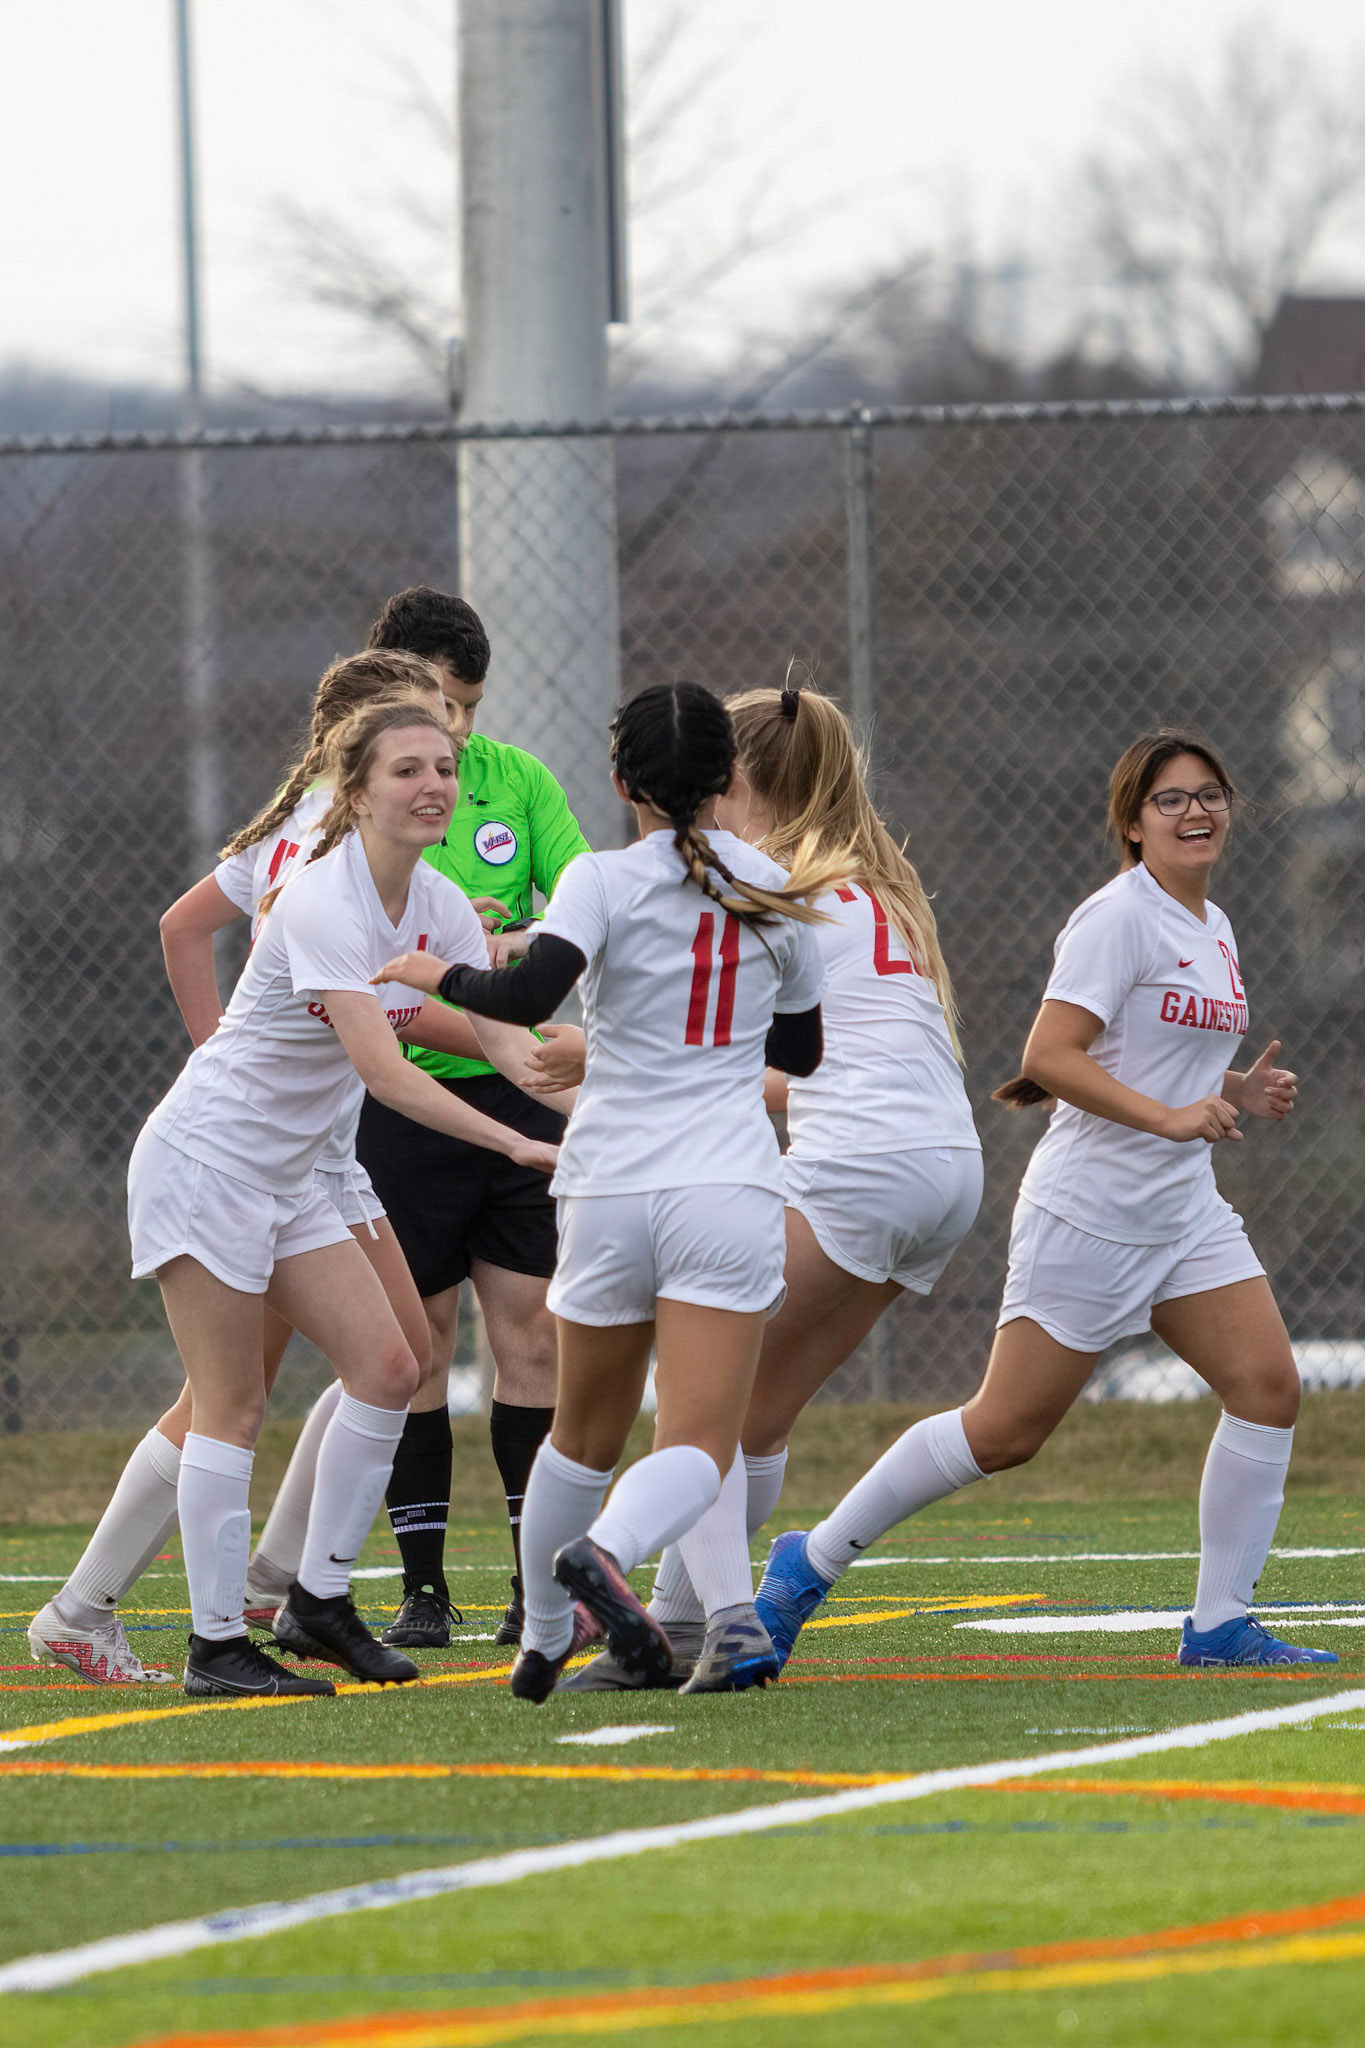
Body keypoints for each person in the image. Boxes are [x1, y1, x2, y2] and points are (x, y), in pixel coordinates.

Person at [753, 729, 1339, 1674]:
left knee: (1269, 1388)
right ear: (1132, 824)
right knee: (1004, 1431)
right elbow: (1049, 1057)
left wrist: (1234, 1089)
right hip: (1090, 1210)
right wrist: (1170, 1117)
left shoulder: (1214, 925)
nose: (1195, 812)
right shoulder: (1117, 917)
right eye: (1170, 799)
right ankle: (808, 1561)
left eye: (1209, 795)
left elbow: (1149, 1054)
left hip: (1181, 1210)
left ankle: (1219, 1626)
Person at [28, 653, 564, 1686]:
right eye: (408, 763)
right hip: (215, 1162)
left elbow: (496, 1037)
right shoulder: (318, 890)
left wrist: (592, 1109)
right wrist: (512, 1141)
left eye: (445, 762)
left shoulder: (440, 902)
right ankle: (215, 1641)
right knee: (230, 1404)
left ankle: (312, 1597)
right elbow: (386, 1067)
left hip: (304, 1168)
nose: (435, 780)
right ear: (353, 783)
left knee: (394, 1366)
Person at [370, 680, 843, 1703]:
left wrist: (437, 973)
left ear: (620, 779)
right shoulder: (775, 886)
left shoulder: (599, 876)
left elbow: (527, 994)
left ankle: (544, 1637)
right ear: (728, 776)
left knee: (578, 1441)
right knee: (699, 1443)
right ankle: (611, 1551)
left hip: (609, 1183)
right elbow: (802, 1051)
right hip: (723, 1184)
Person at [559, 680, 982, 1692]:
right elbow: (811, 1067)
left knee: (692, 1404)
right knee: (754, 1415)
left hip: (859, 1167)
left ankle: (708, 1610)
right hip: (945, 1173)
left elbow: (696, 1041)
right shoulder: (877, 885)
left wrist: (581, 1046)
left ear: (739, 780)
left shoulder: (765, 888)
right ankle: (677, 1624)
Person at [355, 588, 591, 1650]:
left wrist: (508, 943)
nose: (452, 732)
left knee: (531, 1331)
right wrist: (460, 958)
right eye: (436, 704)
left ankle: (535, 1586)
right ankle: (422, 1587)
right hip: (405, 1095)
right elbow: (359, 958)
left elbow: (579, 910)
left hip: (517, 1086)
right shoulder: (349, 800)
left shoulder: (517, 780)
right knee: (418, 1341)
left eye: (467, 709)